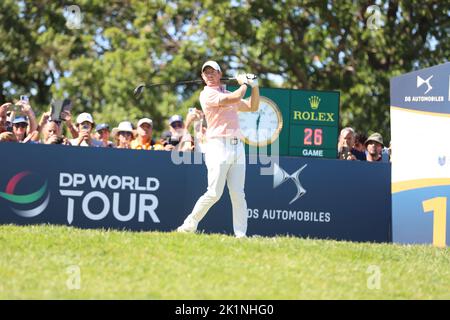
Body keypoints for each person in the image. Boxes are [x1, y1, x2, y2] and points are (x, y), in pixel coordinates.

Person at [177, 60, 260, 238]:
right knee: (214, 193)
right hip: (218, 146)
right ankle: (188, 225)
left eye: (213, 72)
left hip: (237, 147)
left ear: (220, 74)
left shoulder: (227, 92)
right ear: (202, 77)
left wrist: (255, 87)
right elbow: (235, 98)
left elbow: (253, 106)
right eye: (206, 73)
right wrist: (244, 83)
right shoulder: (207, 95)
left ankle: (241, 235)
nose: (209, 75)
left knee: (238, 194)